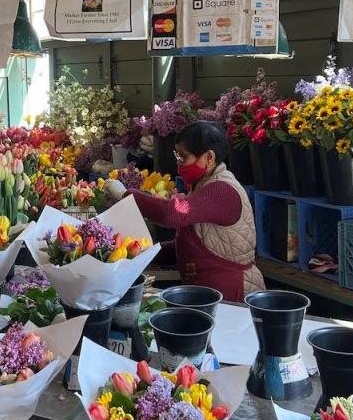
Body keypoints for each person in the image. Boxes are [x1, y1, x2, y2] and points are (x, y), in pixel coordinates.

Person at [105, 121, 264, 303]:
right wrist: (140, 253)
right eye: (177, 156)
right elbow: (192, 245)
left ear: (209, 157)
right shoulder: (203, 184)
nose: (179, 163)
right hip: (207, 291)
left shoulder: (222, 190)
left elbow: (173, 213)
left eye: (183, 157)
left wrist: (126, 194)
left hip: (231, 293)